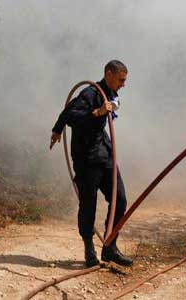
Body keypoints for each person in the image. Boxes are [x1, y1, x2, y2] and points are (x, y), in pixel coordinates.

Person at [50, 60, 133, 268]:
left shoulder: (109, 94)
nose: (123, 84)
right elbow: (70, 115)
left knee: (120, 200)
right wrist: (94, 114)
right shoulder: (89, 93)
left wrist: (108, 108)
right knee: (88, 204)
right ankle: (89, 247)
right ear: (109, 74)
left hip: (105, 155)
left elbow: (115, 104)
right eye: (121, 80)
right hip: (87, 159)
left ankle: (110, 246)